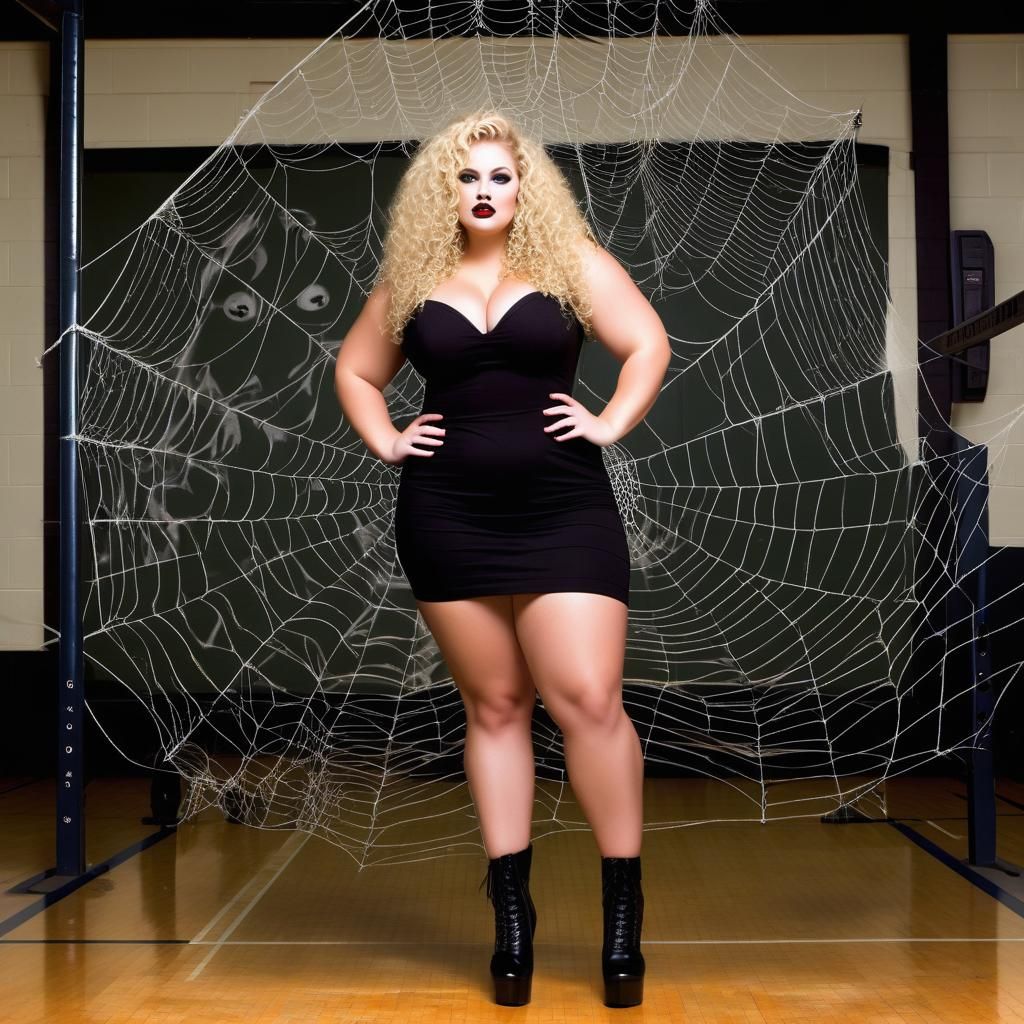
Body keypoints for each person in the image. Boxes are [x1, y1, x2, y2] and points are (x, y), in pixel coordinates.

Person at [334, 110, 670, 1008]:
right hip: (447, 514)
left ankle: (623, 920)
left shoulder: (572, 263)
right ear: (443, 190)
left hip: (565, 509)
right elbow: (355, 372)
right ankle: (512, 923)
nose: (483, 190)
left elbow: (648, 344)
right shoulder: (412, 279)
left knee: (589, 700)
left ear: (527, 188)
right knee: (494, 706)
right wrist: (387, 440)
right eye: (466, 176)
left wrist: (610, 421)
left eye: (499, 176)